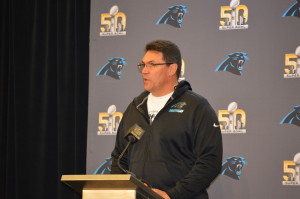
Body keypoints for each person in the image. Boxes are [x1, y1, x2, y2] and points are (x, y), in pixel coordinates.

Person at [110, 40, 223, 199]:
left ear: (172, 68)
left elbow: (210, 161)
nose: (144, 71)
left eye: (151, 65)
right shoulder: (135, 108)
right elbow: (119, 158)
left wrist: (173, 195)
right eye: (142, 65)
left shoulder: (196, 107)